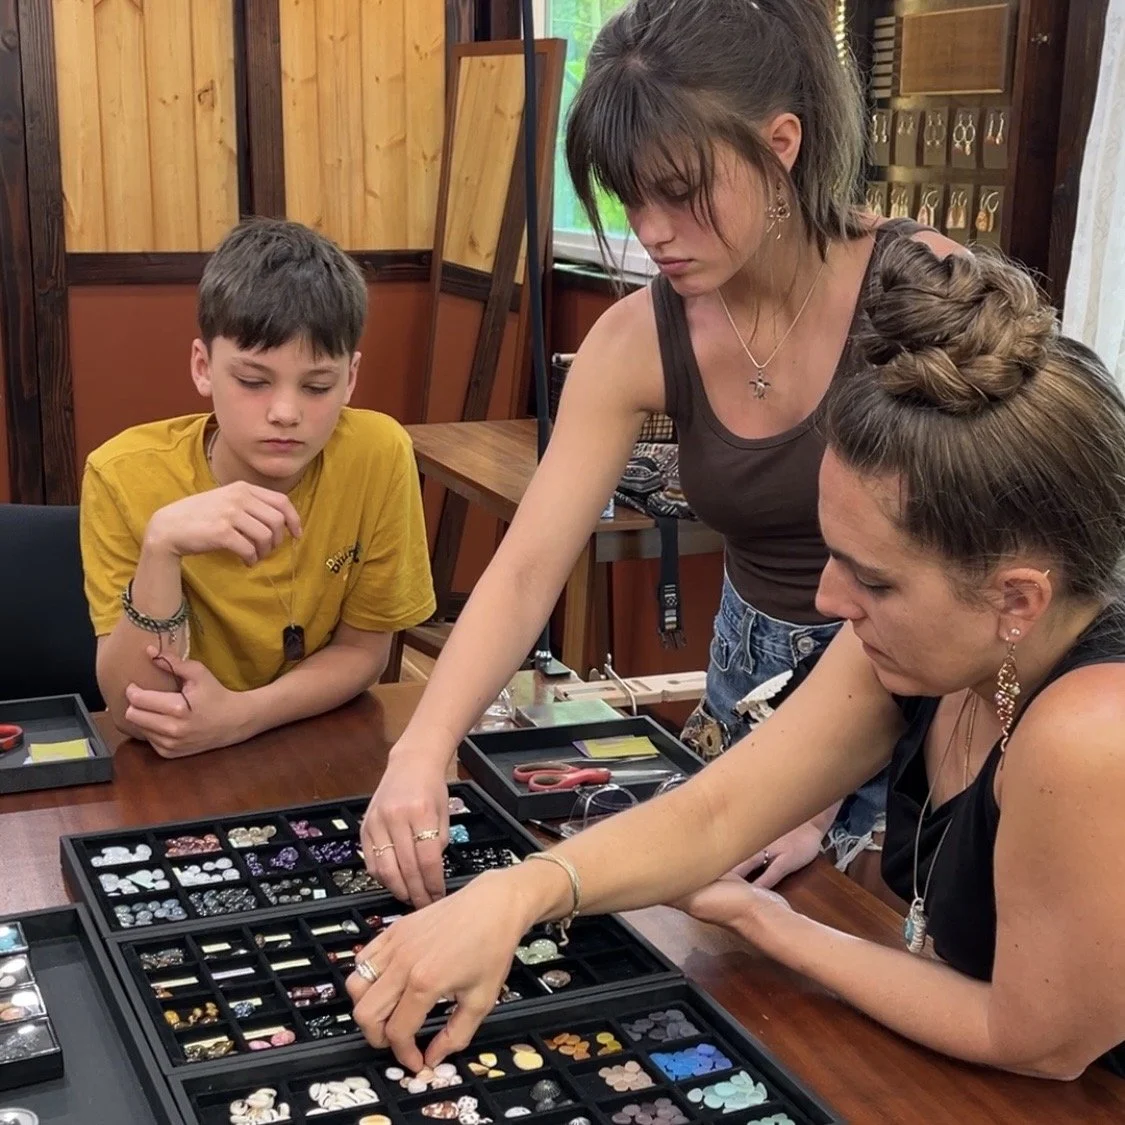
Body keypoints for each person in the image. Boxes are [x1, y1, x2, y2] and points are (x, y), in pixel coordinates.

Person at [346, 240, 1125, 1080]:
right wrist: (517, 893)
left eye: (871, 578)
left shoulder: (1091, 733)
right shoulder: (934, 645)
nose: (828, 598)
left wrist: (770, 924)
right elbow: (720, 811)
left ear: (1017, 600)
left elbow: (1035, 1040)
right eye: (831, 554)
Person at [362, 0, 960, 907]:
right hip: (746, 680)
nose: (651, 230)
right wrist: (423, 744)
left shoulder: (921, 293)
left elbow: (966, 569)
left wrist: (812, 783)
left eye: (679, 191)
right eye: (629, 197)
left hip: (910, 692)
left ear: (780, 146)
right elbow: (526, 567)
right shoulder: (638, 336)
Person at [80, 218, 436, 756]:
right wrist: (161, 547)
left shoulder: (378, 453)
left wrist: (242, 717)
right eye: (253, 381)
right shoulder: (122, 474)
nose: (285, 413)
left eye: (317, 385)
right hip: (175, 767)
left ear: (350, 378)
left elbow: (365, 650)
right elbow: (136, 707)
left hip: (314, 743)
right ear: (203, 366)